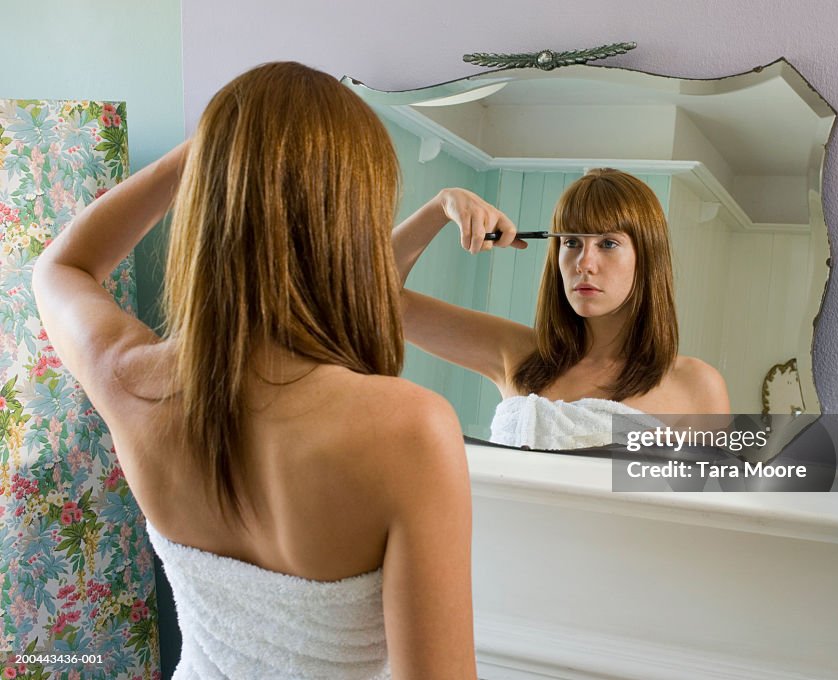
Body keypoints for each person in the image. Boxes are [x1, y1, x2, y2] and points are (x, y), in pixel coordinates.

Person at [33, 62, 476, 679]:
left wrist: (215, 150)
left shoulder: (129, 381)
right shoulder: (410, 429)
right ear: (353, 221)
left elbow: (61, 268)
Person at [393, 168, 730, 449]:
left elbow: (712, 518)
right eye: (571, 242)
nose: (584, 262)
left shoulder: (695, 386)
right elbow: (374, 299)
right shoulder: (516, 353)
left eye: (608, 243)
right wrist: (440, 206)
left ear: (648, 258)